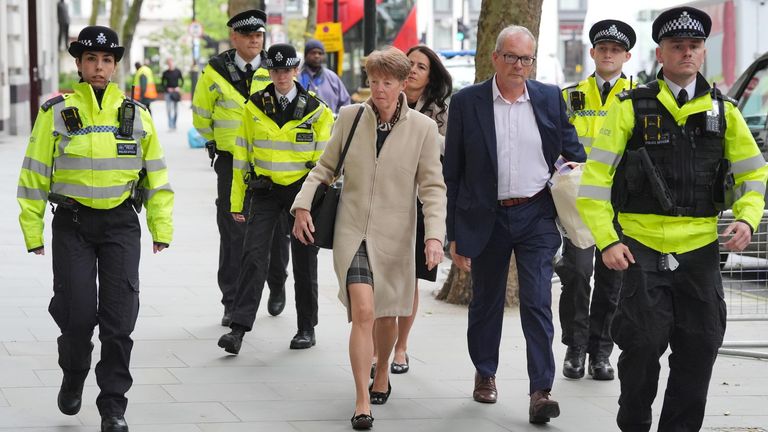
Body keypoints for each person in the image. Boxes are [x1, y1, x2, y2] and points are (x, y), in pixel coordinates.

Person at [576, 7, 768, 431]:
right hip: (640, 249)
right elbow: (594, 183)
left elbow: (754, 174)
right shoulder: (629, 108)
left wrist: (748, 219)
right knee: (641, 347)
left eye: (694, 46)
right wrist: (608, 241)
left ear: (703, 52)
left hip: (700, 252)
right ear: (660, 53)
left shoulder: (726, 111)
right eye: (677, 46)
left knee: (699, 348)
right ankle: (635, 424)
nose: (687, 53)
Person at [16, 25, 174, 432]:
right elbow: (34, 174)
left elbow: (155, 174)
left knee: (120, 321)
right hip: (72, 224)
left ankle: (113, 405)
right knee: (77, 316)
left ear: (116, 66)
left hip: (121, 223)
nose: (99, 67)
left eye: (106, 60)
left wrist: (161, 225)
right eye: (91, 60)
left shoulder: (137, 115)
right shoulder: (55, 112)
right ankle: (73, 371)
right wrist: (32, 232)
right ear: (80, 65)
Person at [291, 47, 446, 430]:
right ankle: (362, 400)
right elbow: (325, 167)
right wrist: (303, 206)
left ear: (402, 84)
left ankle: (382, 373)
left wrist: (435, 238)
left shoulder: (424, 130)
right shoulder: (349, 117)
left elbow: (432, 187)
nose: (378, 89)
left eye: (387, 82)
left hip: (397, 236)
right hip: (352, 230)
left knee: (387, 314)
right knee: (362, 311)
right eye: (374, 81)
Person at [443, 25, 585, 425]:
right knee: (486, 300)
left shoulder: (548, 98)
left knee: (538, 300)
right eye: (512, 57)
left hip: (536, 213)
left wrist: (573, 172)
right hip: (485, 216)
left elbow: (572, 152)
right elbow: (452, 172)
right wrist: (455, 234)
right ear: (495, 57)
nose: (520, 65)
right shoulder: (467, 102)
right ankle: (485, 372)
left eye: (527, 58)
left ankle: (541, 390)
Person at [217, 43, 334, 354]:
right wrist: (236, 201)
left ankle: (306, 327)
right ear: (268, 72)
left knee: (304, 260)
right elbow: (242, 154)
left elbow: (326, 164)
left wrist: (312, 203)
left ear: (296, 70)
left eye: (287, 69)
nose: (281, 75)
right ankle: (238, 329)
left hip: (302, 193)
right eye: (276, 70)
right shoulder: (254, 106)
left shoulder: (317, 110)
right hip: (265, 191)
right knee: (252, 256)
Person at [192, 9, 290, 326]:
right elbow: (201, 116)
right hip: (230, 163)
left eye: (259, 36)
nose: (254, 40)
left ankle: (276, 284)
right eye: (248, 36)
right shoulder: (215, 71)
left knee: (276, 230)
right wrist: (223, 143)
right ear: (234, 37)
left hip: (270, 164)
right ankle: (231, 302)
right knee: (233, 232)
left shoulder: (276, 70)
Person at [555, 19, 635, 382]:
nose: (608, 55)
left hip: (620, 202)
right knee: (576, 274)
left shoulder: (639, 96)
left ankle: (601, 352)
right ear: (592, 53)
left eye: (615, 50)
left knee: (612, 279)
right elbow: (552, 143)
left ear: (626, 56)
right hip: (579, 202)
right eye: (602, 49)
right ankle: (575, 346)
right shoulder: (569, 95)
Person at [372, 44, 451, 376]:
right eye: (411, 64)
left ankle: (400, 347)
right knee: (379, 278)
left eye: (422, 66)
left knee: (409, 280)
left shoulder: (442, 111)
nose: (415, 69)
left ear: (430, 75)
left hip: (422, 204)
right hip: (385, 202)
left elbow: (449, 154)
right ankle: (380, 350)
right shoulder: (383, 102)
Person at [298, 39, 350, 114]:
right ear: (305, 55)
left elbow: (345, 103)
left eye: (320, 53)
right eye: (313, 53)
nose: (317, 56)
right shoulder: (298, 77)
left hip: (331, 124)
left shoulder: (332, 77)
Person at [161, 57, 184, 130]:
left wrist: (179, 87)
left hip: (176, 93)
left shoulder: (178, 71)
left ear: (173, 62)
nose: (170, 64)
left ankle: (174, 124)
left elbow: (182, 81)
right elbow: (162, 83)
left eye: (171, 62)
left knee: (176, 110)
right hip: (168, 93)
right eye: (168, 63)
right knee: (168, 110)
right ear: (167, 64)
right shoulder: (165, 73)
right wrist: (167, 88)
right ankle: (170, 125)